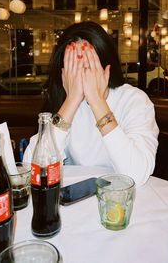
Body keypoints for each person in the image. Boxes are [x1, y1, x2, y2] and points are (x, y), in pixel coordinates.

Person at [24, 21, 159, 185]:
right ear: (63, 72)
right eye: (74, 66)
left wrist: (97, 101)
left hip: (120, 197)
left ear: (106, 67)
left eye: (89, 65)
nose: (81, 74)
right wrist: (71, 101)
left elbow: (136, 174)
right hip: (75, 196)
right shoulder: (63, 100)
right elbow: (33, 168)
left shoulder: (134, 100)